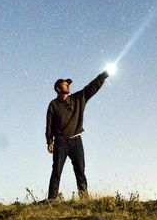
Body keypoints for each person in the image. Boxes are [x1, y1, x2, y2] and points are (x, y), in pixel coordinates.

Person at [45, 71, 109, 200]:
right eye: (64, 84)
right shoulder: (53, 105)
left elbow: (91, 87)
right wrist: (49, 141)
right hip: (60, 142)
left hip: (76, 140)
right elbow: (49, 125)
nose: (67, 86)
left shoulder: (78, 99)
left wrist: (103, 76)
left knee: (80, 171)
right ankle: (52, 199)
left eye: (68, 84)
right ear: (58, 88)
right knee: (56, 171)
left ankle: (84, 198)